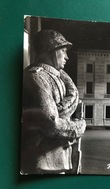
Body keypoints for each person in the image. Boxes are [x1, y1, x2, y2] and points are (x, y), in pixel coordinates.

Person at [21, 29, 86, 174]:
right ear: (51, 51)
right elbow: (51, 124)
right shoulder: (36, 77)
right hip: (42, 161)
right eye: (63, 51)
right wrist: (78, 126)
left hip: (57, 160)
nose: (67, 57)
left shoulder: (55, 76)